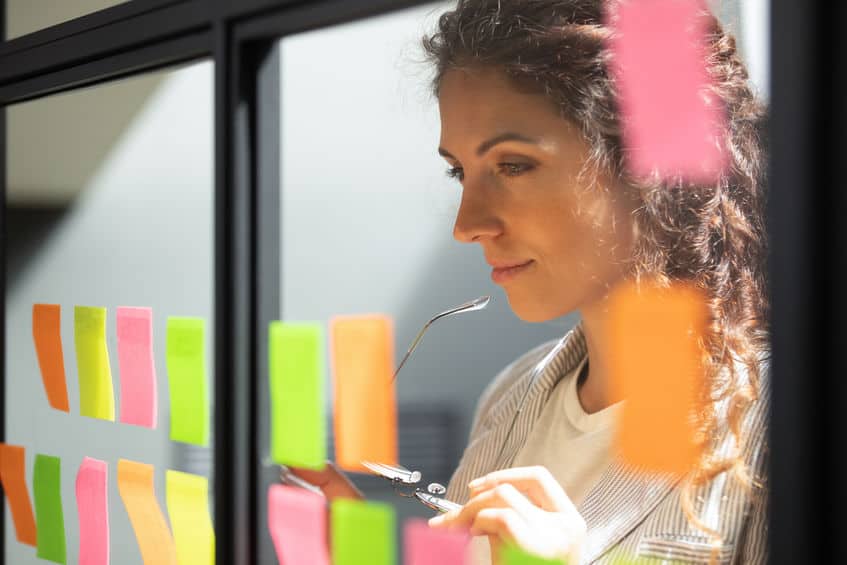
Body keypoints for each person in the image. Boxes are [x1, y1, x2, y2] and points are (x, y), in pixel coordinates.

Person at [293, 1, 769, 563]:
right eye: (459, 171)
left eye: (513, 165)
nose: (466, 226)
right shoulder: (511, 395)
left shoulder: (778, 425)